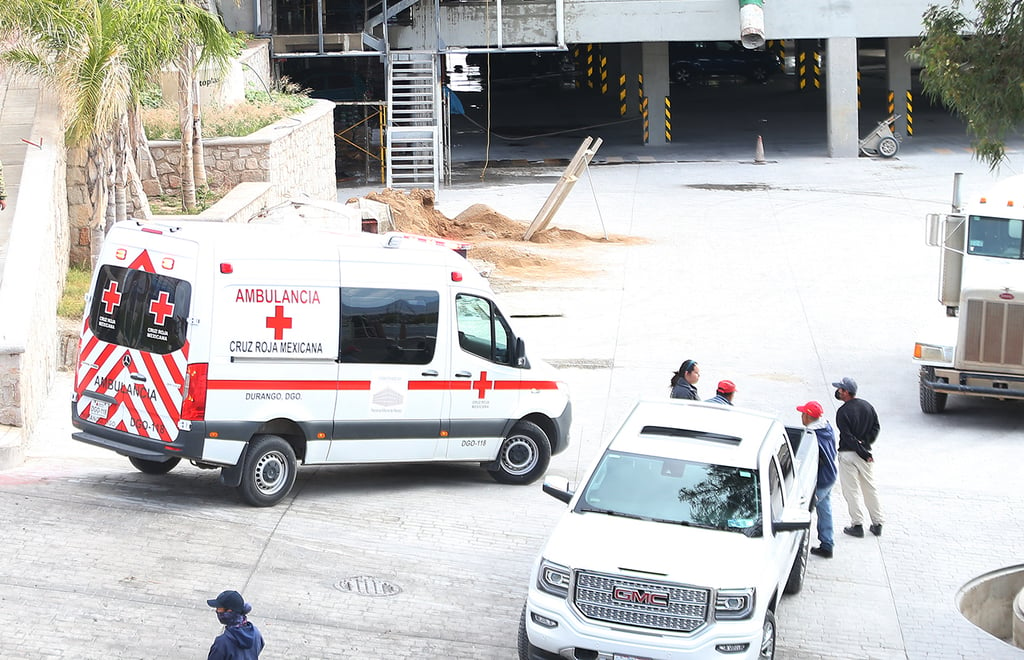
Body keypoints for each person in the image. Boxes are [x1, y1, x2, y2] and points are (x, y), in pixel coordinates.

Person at [832, 376, 884, 538]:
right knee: (870, 488)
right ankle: (877, 523)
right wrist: (865, 445)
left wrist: (861, 450)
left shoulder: (842, 412)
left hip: (848, 455)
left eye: (840, 389)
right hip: (865, 456)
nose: (838, 392)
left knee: (851, 490)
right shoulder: (868, 406)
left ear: (846, 392)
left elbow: (847, 437)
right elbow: (876, 427)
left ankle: (857, 524)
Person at [797, 401, 838, 558]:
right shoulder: (827, 428)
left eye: (803, 414)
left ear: (808, 416)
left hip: (820, 481)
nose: (801, 416)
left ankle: (797, 548)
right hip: (830, 476)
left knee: (802, 513)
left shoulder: (811, 437)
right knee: (825, 509)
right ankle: (827, 544)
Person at [207, 590, 265, 660]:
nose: (216, 611)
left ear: (229, 612)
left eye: (219, 608)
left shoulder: (222, 643)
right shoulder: (255, 632)